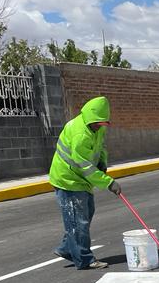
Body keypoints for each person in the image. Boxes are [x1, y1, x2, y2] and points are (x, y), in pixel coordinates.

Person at [49, 96, 119, 270]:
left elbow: (101, 146)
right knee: (79, 221)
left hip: (80, 179)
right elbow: (85, 166)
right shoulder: (80, 133)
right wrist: (108, 183)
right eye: (97, 124)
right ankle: (84, 259)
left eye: (102, 124)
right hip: (68, 179)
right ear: (89, 119)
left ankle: (67, 249)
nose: (99, 127)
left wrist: (102, 161)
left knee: (85, 215)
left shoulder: (97, 127)